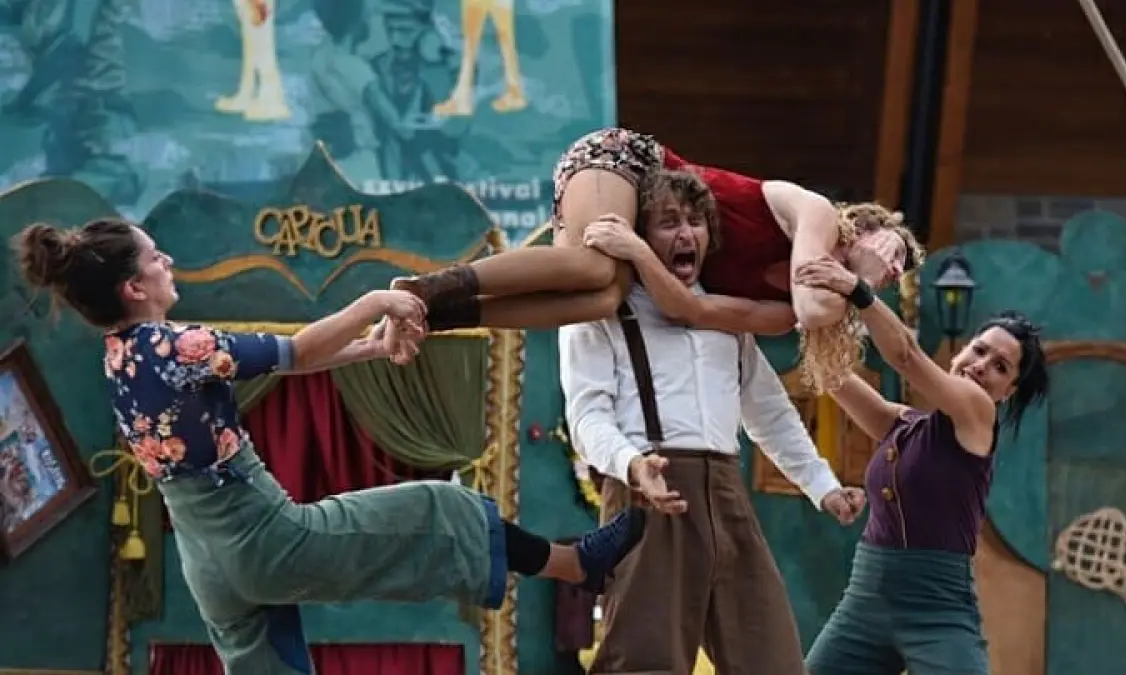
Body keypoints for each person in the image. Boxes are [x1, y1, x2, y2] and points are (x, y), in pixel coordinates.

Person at [10, 218, 646, 675]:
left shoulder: (120, 358)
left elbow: (290, 362)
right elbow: (297, 350)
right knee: (443, 507)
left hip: (210, 564)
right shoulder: (176, 345)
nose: (167, 259)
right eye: (155, 257)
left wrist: (369, 348)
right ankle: (576, 565)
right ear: (134, 287)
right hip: (264, 540)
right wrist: (374, 301)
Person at [559, 169, 867, 675]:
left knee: (771, 660)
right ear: (639, 234)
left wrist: (823, 486)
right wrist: (632, 465)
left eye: (696, 221)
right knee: (643, 663)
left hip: (726, 494)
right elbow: (587, 416)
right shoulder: (606, 310)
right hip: (649, 494)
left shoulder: (722, 313)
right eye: (668, 222)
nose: (686, 233)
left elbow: (768, 409)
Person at [385, 127, 924, 391]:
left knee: (604, 296)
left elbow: (692, 310)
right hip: (627, 165)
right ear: (863, 227)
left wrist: (861, 285)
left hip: (634, 235)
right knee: (598, 270)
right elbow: (814, 301)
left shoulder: (784, 312)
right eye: (890, 247)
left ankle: (441, 316)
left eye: (895, 267)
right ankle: (426, 288)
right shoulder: (814, 213)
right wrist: (860, 275)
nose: (888, 266)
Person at [790, 256, 1050, 675]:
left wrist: (857, 289)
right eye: (979, 350)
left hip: (936, 609)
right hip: (866, 600)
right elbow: (831, 374)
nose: (981, 366)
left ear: (1007, 391)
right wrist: (807, 311)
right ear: (962, 350)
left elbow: (906, 355)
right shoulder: (905, 424)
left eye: (1000, 367)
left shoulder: (979, 414)